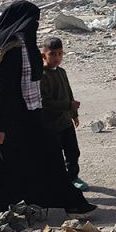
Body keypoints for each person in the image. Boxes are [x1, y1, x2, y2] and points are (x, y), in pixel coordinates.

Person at [0, 1, 95, 219]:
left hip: (32, 116)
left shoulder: (25, 45)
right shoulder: (8, 50)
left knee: (50, 158)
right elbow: (1, 91)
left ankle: (72, 204)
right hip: (11, 119)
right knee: (5, 166)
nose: (35, 25)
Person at [40, 36, 86, 191]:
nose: (57, 58)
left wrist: (74, 114)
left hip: (65, 121)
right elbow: (45, 102)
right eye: (53, 54)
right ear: (44, 54)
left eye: (60, 54)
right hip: (51, 124)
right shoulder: (41, 76)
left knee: (73, 152)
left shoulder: (62, 72)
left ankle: (73, 177)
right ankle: (57, 181)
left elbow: (68, 92)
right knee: (54, 155)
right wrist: (68, 105)